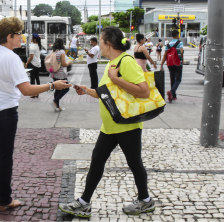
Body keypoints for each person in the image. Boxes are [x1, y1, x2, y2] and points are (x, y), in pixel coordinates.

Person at [0, 17, 71, 211]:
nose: (22, 38)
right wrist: (53, 85)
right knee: (4, 155)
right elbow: (27, 90)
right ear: (10, 36)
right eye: (19, 34)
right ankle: (4, 200)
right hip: (3, 112)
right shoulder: (12, 58)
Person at [59, 26, 154, 218]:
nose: (98, 44)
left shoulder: (126, 62)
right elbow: (106, 95)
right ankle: (84, 203)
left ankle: (145, 200)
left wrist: (115, 79)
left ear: (108, 43)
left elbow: (144, 91)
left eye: (100, 41)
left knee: (134, 163)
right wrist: (87, 90)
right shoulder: (112, 63)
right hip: (111, 125)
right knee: (97, 160)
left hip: (126, 125)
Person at [160, 30, 184, 102]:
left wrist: (161, 65)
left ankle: (173, 96)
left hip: (170, 64)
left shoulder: (168, 44)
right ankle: (171, 91)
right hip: (177, 63)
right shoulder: (180, 42)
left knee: (172, 79)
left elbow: (164, 55)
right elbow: (181, 51)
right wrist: (182, 59)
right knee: (178, 79)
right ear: (177, 35)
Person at [51, 38, 73, 111]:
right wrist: (69, 62)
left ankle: (57, 106)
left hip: (54, 73)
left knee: (58, 89)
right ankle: (55, 101)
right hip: (61, 74)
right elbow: (64, 64)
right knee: (66, 88)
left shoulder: (54, 51)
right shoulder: (62, 52)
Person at [25, 33, 42, 98]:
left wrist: (27, 63)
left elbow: (31, 57)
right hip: (38, 64)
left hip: (33, 64)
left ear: (34, 39)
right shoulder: (39, 45)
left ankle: (33, 94)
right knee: (37, 78)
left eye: (32, 38)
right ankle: (38, 93)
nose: (31, 39)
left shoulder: (32, 47)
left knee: (32, 79)